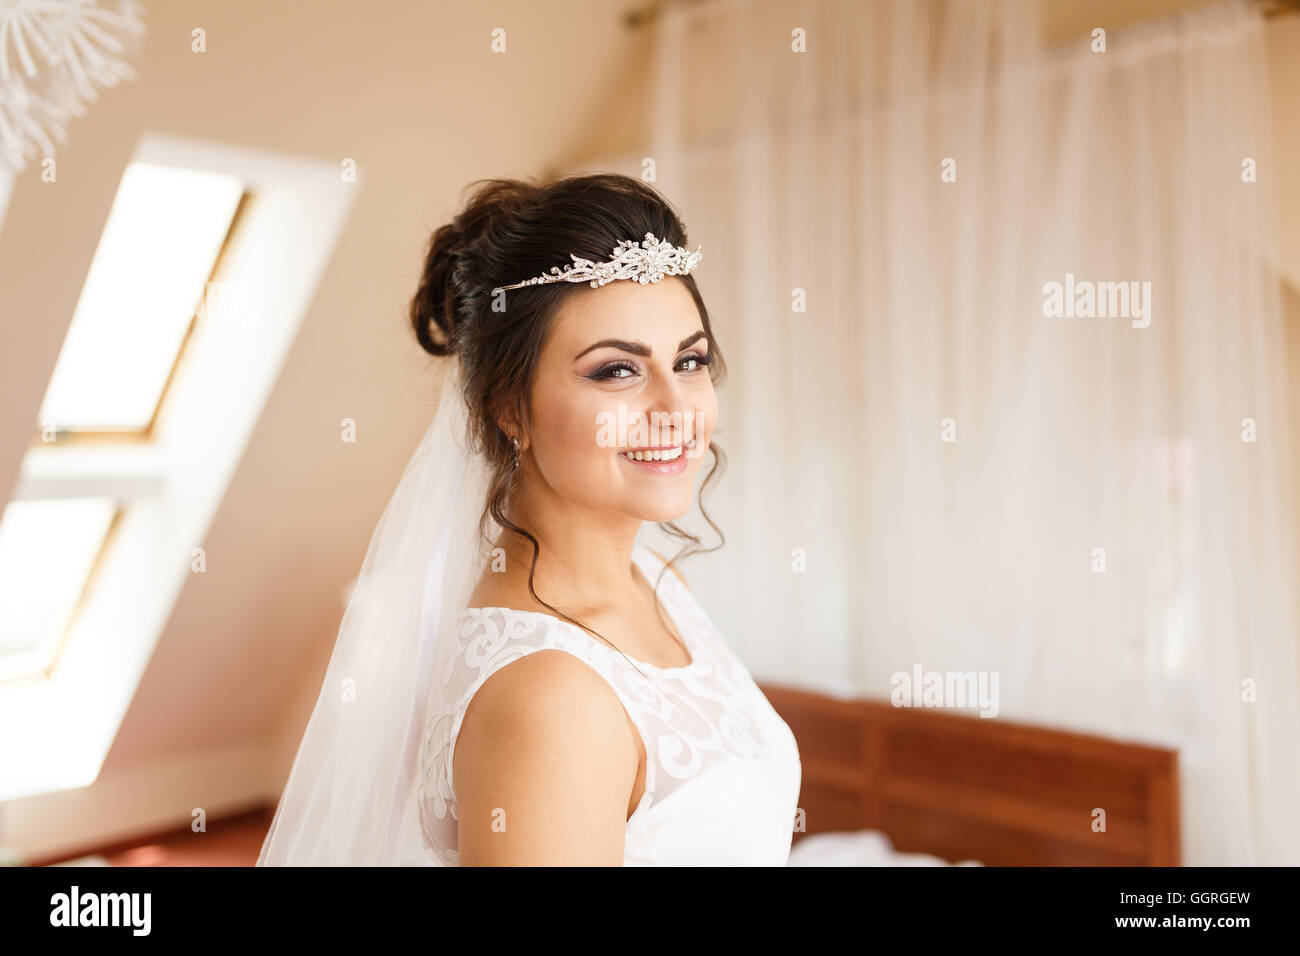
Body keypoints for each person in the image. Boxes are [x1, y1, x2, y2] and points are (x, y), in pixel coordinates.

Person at [258, 173, 800, 866]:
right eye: (615, 372)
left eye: (689, 361)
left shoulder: (660, 586)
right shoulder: (551, 701)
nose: (677, 408)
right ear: (509, 408)